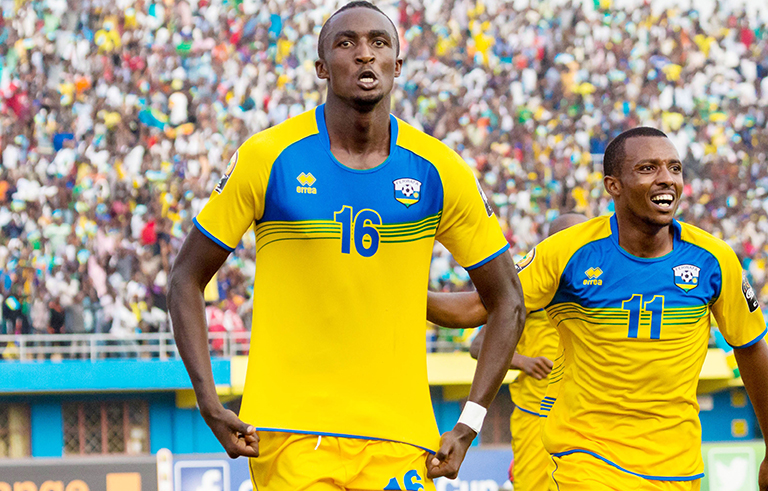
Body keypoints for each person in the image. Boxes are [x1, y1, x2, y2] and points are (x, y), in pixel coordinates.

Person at [167, 2, 525, 490]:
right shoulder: (268, 157)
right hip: (290, 433)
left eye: (379, 43)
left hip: (402, 439)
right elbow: (186, 278)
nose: (364, 55)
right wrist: (209, 401)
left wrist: (470, 423)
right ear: (321, 67)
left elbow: (507, 301)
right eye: (346, 43)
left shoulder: (439, 169)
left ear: (397, 66)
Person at [427, 127, 768, 490]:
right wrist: (403, 295)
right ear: (613, 185)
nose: (667, 179)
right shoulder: (567, 251)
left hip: (677, 468)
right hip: (587, 459)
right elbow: (480, 306)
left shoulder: (715, 260)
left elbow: (751, 347)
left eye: (675, 168)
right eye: (648, 168)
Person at [467, 213, 586, 491]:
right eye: (577, 236)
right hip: (536, 414)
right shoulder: (529, 285)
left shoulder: (601, 284)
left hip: (587, 413)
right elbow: (477, 345)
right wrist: (524, 362)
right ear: (554, 242)